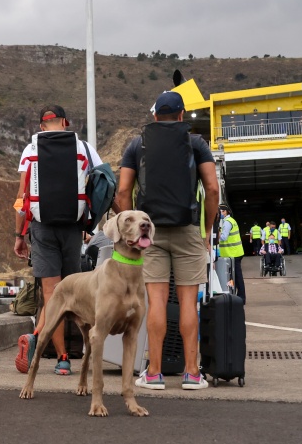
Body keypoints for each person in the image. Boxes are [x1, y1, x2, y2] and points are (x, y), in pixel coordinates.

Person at [114, 91, 219, 390]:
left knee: (156, 301)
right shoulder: (196, 144)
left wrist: (131, 231)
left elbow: (122, 192)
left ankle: (155, 373)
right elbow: (212, 189)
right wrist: (207, 230)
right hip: (188, 230)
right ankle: (192, 374)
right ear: (182, 115)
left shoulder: (137, 144)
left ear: (155, 116)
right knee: (188, 301)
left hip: (149, 231)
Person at [13, 105, 103, 375]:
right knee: (71, 295)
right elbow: (102, 184)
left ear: (42, 125)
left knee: (51, 295)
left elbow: (22, 199)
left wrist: (19, 235)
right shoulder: (84, 148)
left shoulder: (30, 151)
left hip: (42, 228)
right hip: (73, 228)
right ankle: (75, 357)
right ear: (65, 122)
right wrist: (90, 223)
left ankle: (59, 354)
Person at [217, 204, 245, 301]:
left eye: (220, 211)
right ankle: (238, 296)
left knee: (237, 277)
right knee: (234, 276)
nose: (218, 213)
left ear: (225, 212)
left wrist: (217, 233)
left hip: (234, 254)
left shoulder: (227, 222)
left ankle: (241, 298)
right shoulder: (229, 221)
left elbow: (224, 237)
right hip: (233, 253)